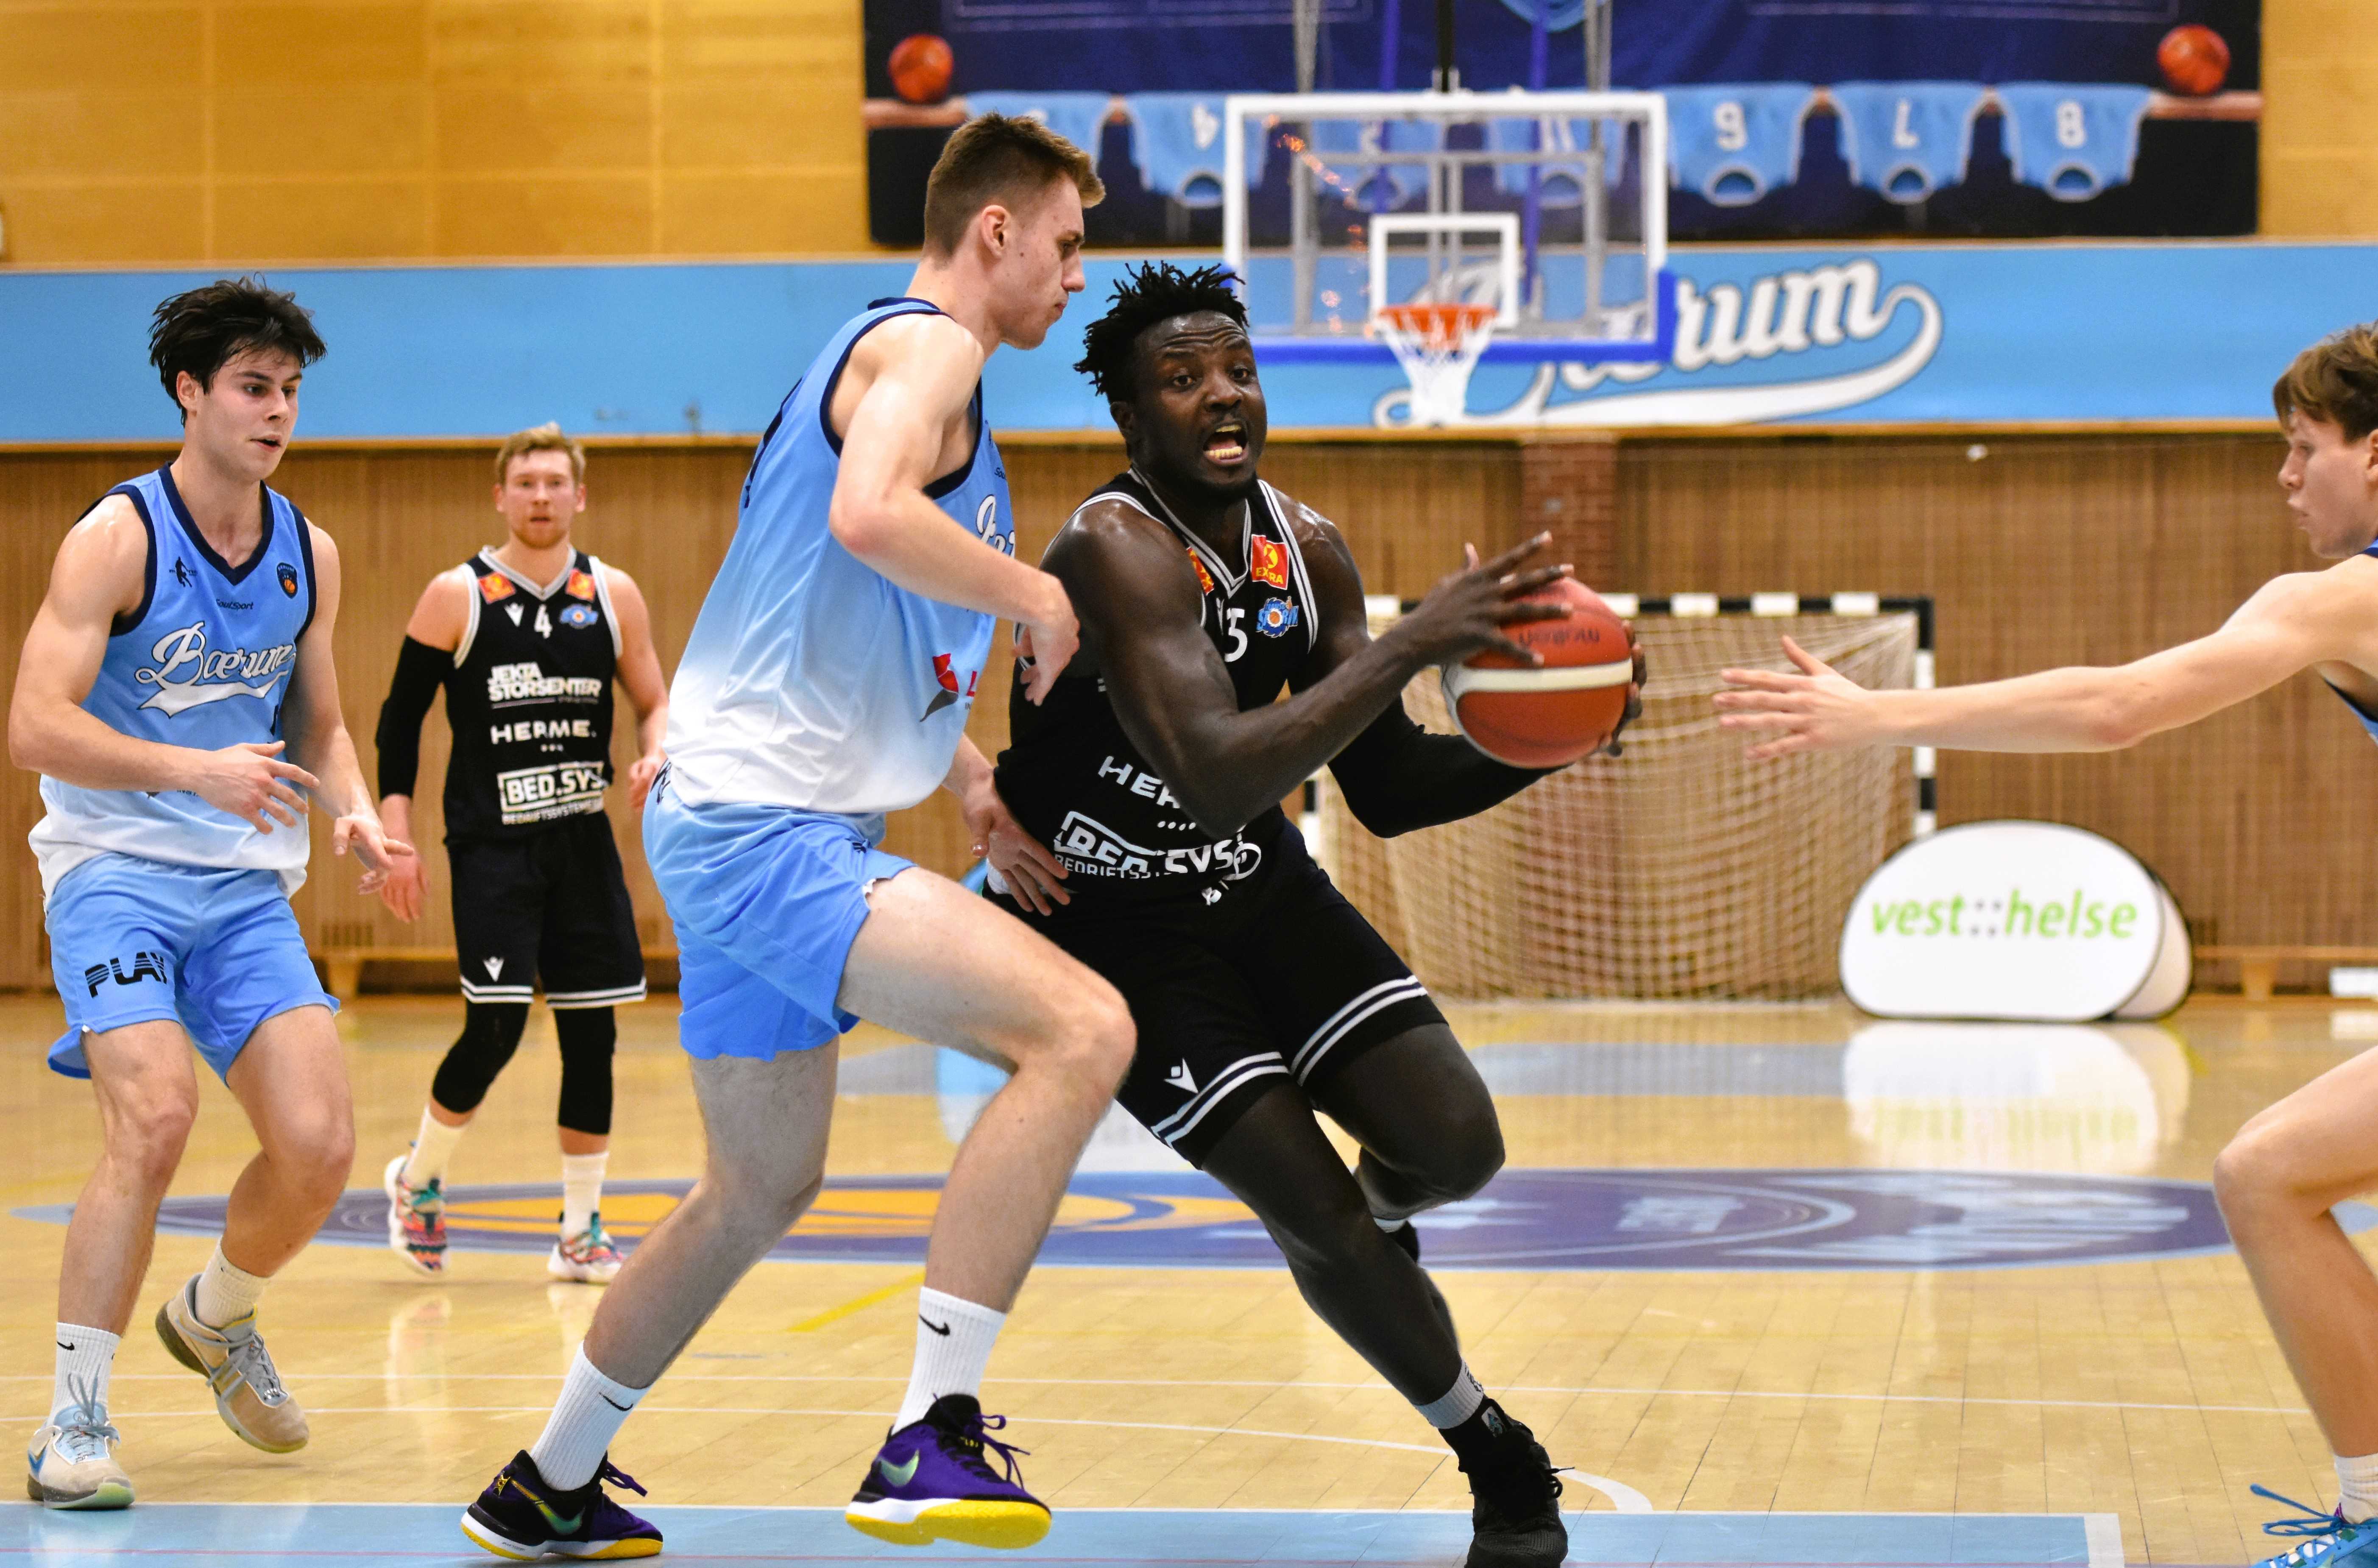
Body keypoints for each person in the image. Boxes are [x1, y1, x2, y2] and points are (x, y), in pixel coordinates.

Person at [457, 114, 1134, 1563]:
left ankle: (548, 1482)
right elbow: (873, 513)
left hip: (739, 814)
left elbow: (838, 604)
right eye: (1069, 245)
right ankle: (929, 1438)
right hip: (769, 833)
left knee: (759, 1185)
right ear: (996, 232)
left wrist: (963, 775)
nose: (1079, 278)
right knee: (1084, 1034)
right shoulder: (932, 349)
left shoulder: (878, 355)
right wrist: (1041, 597)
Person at [985, 262, 1641, 1568]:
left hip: (1251, 883)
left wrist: (1550, 741)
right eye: (1181, 379)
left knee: (1456, 1145)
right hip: (1119, 934)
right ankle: (1492, 1451)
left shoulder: (1310, 546)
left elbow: (1385, 788)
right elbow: (1215, 764)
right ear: (1130, 415)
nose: (1221, 396)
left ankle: (1377, 1239)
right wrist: (1409, 644)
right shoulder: (1111, 546)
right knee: (1314, 1213)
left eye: (1235, 368)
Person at [1710, 321, 2378, 1568]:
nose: (2285, 478)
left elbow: (2118, 707)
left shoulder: (2344, 593)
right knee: (2272, 1172)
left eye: (2302, 448)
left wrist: (1878, 714)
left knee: (2267, 1175)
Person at [8, 278, 408, 1510]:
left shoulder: (308, 550)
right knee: (156, 1117)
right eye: (252, 386)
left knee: (321, 1147)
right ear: (191, 392)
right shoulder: (117, 535)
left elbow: (324, 723)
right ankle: (73, 1419)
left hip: (242, 890)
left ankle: (218, 1315)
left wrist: (355, 809)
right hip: (113, 871)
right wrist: (193, 769)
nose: (277, 409)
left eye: (290, 389)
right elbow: (32, 724)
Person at [372, 422, 670, 1286]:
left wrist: (658, 748)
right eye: (525, 483)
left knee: (594, 1034)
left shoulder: (612, 593)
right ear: (500, 496)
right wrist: (396, 835)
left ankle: (581, 1231)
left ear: (580, 496)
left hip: (582, 842)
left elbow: (655, 698)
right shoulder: (455, 594)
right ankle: (420, 1179)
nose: (540, 496)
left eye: (555, 483)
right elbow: (400, 722)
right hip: (492, 846)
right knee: (495, 1024)